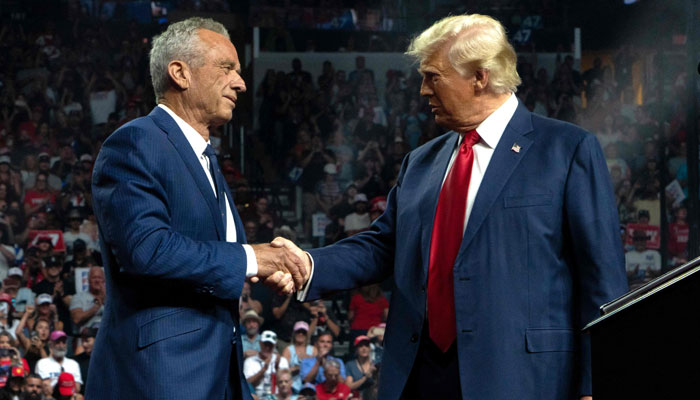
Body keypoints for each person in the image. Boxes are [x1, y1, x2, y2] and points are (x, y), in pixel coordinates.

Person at [277, 14, 628, 400]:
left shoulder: (567, 150)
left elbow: (603, 280)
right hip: (420, 375)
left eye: (432, 76)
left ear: (480, 76)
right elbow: (382, 246)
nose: (423, 90)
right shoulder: (421, 162)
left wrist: (597, 383)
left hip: (524, 378)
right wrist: (308, 266)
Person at [87, 17, 305, 400]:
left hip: (219, 375)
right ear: (180, 73)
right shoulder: (137, 142)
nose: (240, 82)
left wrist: (263, 268)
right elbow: (148, 250)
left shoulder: (205, 157)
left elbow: (212, 260)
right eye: (227, 68)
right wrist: (252, 259)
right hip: (161, 377)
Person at [243, 330, 289, 398]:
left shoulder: (282, 361)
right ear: (260, 343)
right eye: (265, 344)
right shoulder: (250, 361)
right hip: (256, 396)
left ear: (275, 345)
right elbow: (246, 384)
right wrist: (263, 370)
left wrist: (277, 368)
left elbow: (286, 384)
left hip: (277, 396)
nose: (267, 348)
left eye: (270, 345)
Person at [281, 321, 316, 393]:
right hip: (292, 386)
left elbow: (317, 368)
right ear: (294, 333)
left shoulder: (313, 350)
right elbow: (282, 372)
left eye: (303, 332)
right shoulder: (288, 350)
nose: (301, 334)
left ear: (307, 335)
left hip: (309, 387)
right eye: (298, 332)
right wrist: (296, 368)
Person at [344, 335, 377, 399]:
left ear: (370, 348)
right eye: (361, 346)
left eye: (366, 345)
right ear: (356, 349)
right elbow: (348, 386)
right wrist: (365, 378)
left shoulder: (376, 364)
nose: (364, 348)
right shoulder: (350, 365)